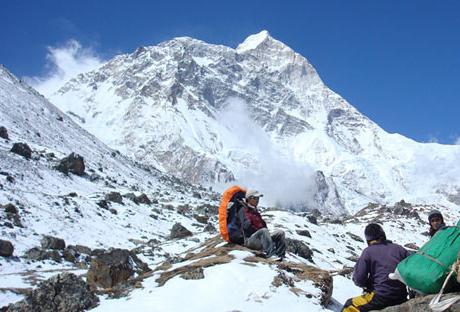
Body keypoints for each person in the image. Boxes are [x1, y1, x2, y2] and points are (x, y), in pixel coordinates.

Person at [342, 223, 410, 312]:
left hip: (381, 297)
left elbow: (359, 279)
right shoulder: (400, 249)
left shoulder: (368, 252)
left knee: (349, 305)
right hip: (401, 296)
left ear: (368, 240)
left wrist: (367, 284)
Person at [237, 189, 286, 259]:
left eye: (258, 198)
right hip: (249, 240)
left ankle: (280, 256)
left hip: (260, 238)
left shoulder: (255, 210)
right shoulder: (243, 210)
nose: (258, 200)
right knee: (264, 231)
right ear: (249, 199)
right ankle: (271, 255)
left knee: (280, 233)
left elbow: (263, 225)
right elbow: (246, 227)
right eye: (255, 198)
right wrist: (259, 229)